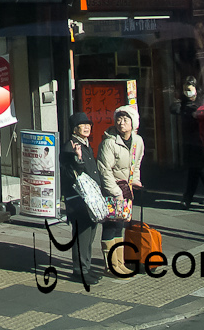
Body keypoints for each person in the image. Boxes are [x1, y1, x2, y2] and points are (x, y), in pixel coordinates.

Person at [96, 106, 144, 273]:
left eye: (125, 119)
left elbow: (136, 163)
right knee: (110, 225)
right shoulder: (109, 142)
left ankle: (119, 262)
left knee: (120, 224)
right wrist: (115, 191)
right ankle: (110, 266)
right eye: (119, 119)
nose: (121, 122)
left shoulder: (138, 141)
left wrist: (135, 181)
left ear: (133, 123)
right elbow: (104, 170)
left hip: (127, 189)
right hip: (113, 190)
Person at [59, 111, 104, 284]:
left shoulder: (84, 144)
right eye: (82, 125)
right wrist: (78, 160)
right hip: (78, 199)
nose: (86, 127)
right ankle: (79, 270)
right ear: (75, 128)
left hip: (90, 198)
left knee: (90, 234)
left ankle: (86, 267)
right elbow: (71, 173)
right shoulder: (70, 146)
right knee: (82, 235)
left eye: (88, 125)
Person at [171, 75, 204, 210]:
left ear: (196, 89)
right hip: (189, 140)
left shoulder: (203, 101)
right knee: (200, 170)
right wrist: (179, 100)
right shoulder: (183, 102)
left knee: (195, 170)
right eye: (185, 90)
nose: (188, 92)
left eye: (190, 89)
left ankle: (187, 198)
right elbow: (173, 109)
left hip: (201, 140)